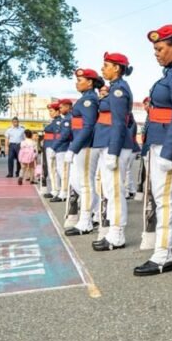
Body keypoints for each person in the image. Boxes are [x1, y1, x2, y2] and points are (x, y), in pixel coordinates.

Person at [134, 25, 172, 275]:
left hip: (169, 144)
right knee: (163, 197)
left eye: (160, 49)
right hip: (159, 140)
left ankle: (163, 254)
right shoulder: (171, 73)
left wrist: (169, 153)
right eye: (155, 50)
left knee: (164, 199)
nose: (156, 53)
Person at [93, 52, 135, 251]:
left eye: (106, 65)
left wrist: (113, 151)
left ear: (117, 68)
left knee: (115, 192)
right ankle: (113, 231)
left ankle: (117, 234)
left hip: (114, 145)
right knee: (110, 190)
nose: (103, 69)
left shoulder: (119, 89)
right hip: (109, 143)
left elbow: (119, 122)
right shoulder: (114, 88)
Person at [65, 69, 103, 235]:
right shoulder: (86, 98)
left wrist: (74, 148)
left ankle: (85, 221)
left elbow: (88, 127)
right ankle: (98, 211)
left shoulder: (89, 100)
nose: (77, 83)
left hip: (86, 146)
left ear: (90, 82)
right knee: (78, 182)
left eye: (80, 80)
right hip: (81, 145)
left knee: (86, 183)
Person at [51, 99, 74, 203]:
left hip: (64, 147)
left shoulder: (68, 118)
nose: (59, 109)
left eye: (61, 107)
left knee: (64, 172)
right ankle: (65, 192)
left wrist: (54, 147)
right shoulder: (66, 118)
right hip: (62, 147)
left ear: (67, 107)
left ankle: (64, 193)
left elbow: (65, 135)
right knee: (62, 171)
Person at [41, 102, 62, 198]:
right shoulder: (54, 121)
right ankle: (55, 189)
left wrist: (54, 147)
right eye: (49, 111)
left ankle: (55, 190)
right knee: (53, 169)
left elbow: (57, 135)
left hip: (52, 147)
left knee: (53, 169)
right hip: (49, 146)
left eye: (52, 111)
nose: (50, 113)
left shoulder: (58, 122)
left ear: (58, 111)